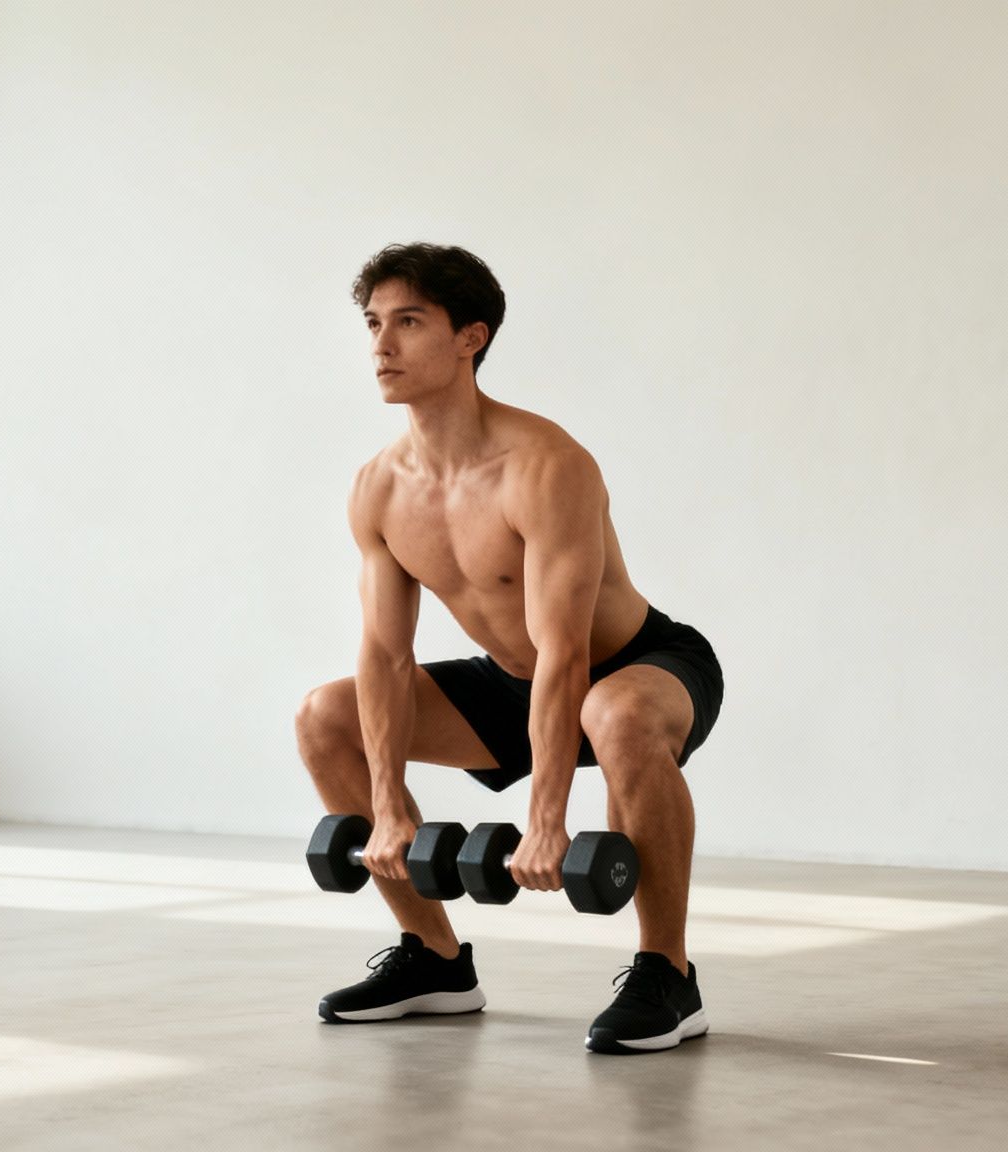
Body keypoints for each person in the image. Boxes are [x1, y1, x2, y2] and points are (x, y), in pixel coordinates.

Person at [294, 243, 724, 1054]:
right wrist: (386, 809)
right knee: (324, 717)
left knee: (615, 708)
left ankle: (668, 974)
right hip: (512, 683)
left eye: (409, 322)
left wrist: (546, 821)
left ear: (471, 338)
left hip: (637, 666)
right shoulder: (379, 487)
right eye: (373, 324)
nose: (381, 346)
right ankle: (435, 961)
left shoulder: (546, 465)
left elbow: (564, 652)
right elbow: (386, 657)